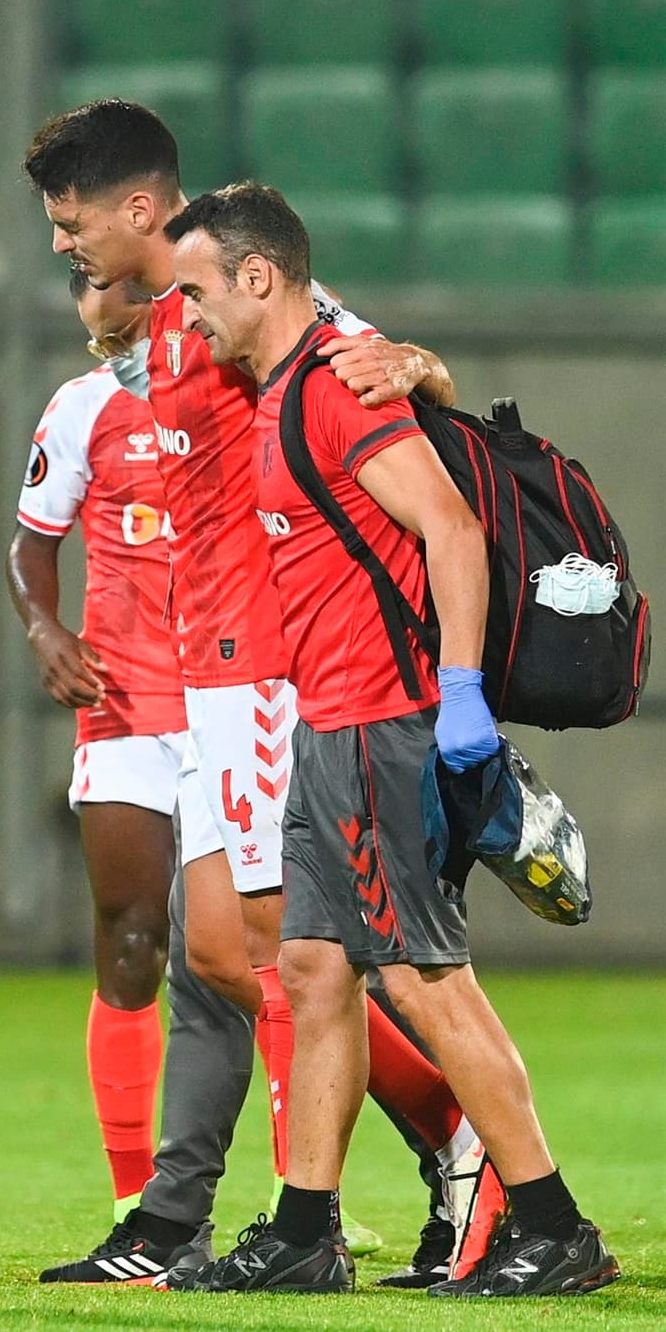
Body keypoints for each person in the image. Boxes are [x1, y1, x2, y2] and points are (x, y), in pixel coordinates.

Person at [23, 100, 497, 1284]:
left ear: (139, 211)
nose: (58, 245)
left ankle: (440, 1148)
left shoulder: (237, 299)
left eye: (70, 222)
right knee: (218, 958)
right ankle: (193, 1218)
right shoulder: (157, 325)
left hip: (267, 669)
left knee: (290, 956)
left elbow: (373, 362)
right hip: (197, 673)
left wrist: (424, 366)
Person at [163, 180, 620, 1299]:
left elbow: (452, 530)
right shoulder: (291, 382)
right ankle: (305, 1231)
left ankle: (551, 1223)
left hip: (382, 719)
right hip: (329, 721)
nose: (185, 315)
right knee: (316, 969)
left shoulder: (331, 388)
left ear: (255, 276)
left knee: (422, 977)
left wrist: (457, 695)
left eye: (193, 291)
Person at [9, 271, 252, 1284]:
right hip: (121, 702)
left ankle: (308, 1194)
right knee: (128, 934)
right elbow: (31, 545)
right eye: (84, 289)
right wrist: (44, 629)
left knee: (254, 957)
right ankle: (138, 1207)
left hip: (231, 698)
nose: (100, 304)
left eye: (115, 284)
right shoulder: (78, 408)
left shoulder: (237, 388)